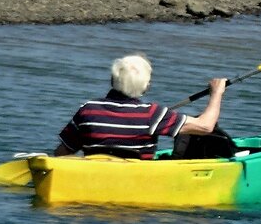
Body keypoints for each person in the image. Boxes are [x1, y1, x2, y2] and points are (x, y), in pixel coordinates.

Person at [53, 53, 227, 159]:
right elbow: (206, 126)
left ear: (112, 80)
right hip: (135, 182)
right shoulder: (152, 114)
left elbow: (63, 152)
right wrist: (216, 93)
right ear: (146, 86)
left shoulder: (88, 109)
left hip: (96, 176)